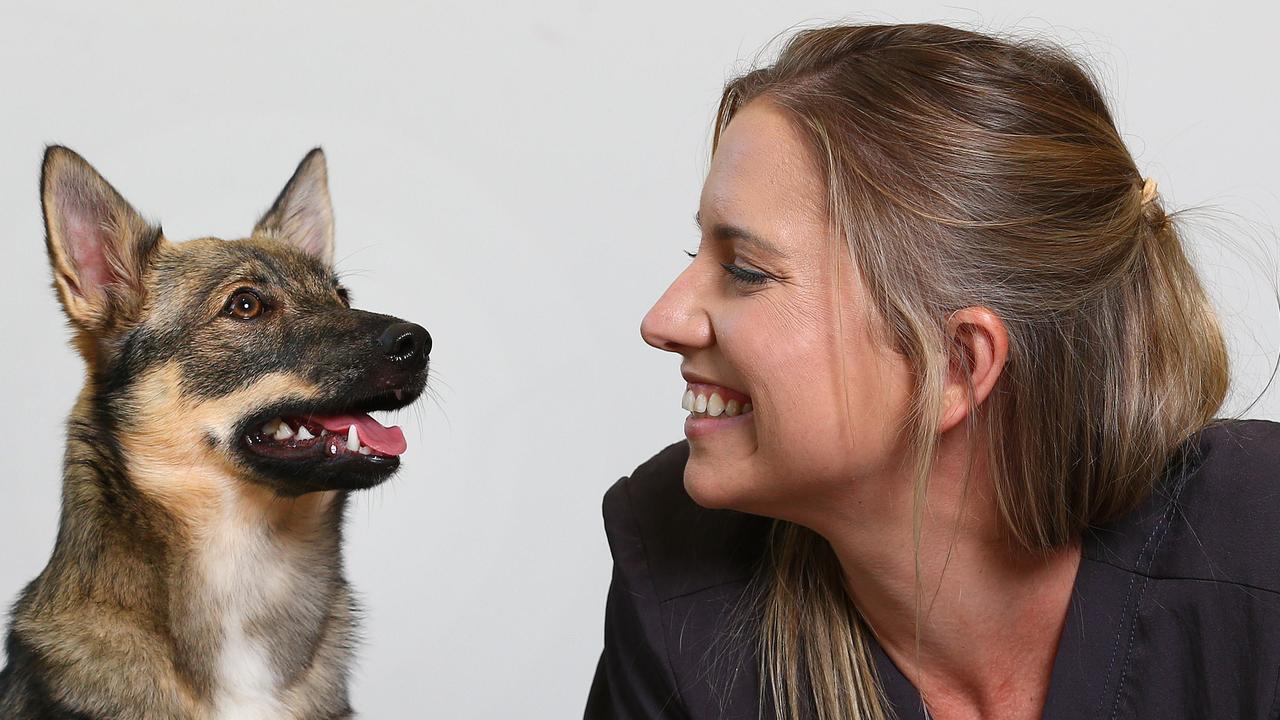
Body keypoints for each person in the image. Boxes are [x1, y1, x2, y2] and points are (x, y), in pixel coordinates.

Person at [585, 22, 1280, 720]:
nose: (663, 320)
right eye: (695, 256)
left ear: (955, 365)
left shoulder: (1261, 543)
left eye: (745, 271)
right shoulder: (675, 578)